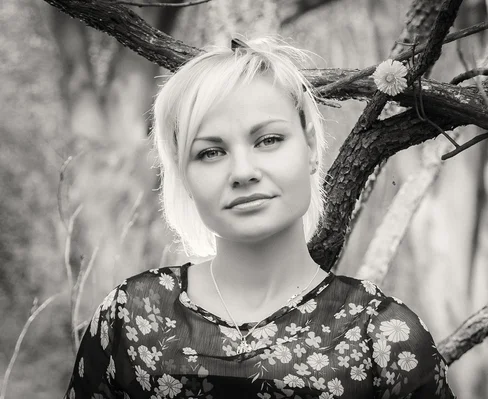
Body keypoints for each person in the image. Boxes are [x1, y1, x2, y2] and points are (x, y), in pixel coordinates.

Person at [64, 37, 456, 399]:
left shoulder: (385, 336)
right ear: (183, 176)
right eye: (210, 152)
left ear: (310, 146)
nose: (243, 171)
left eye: (268, 140)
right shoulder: (130, 316)